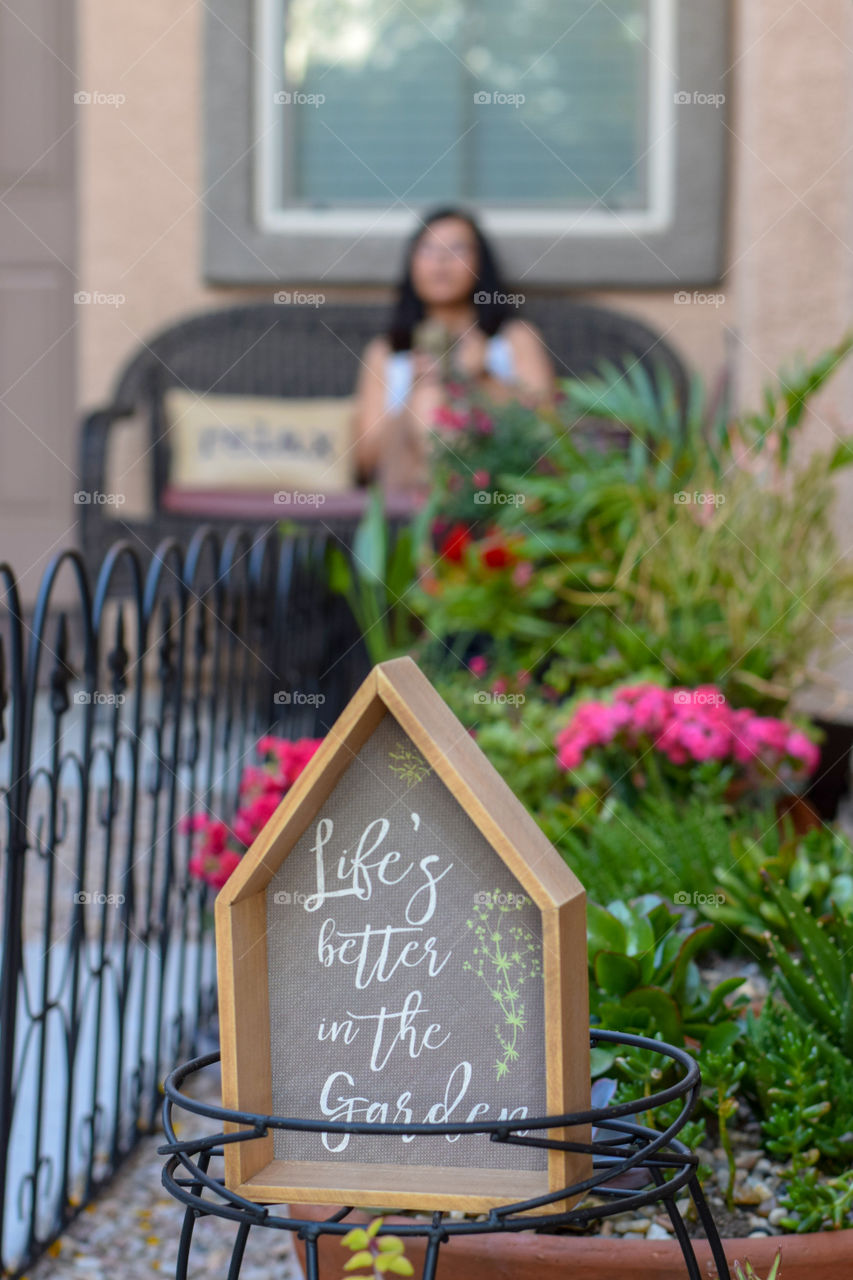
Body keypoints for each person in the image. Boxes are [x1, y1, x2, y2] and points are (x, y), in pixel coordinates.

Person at [352, 208, 555, 493]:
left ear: (480, 262)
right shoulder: (387, 352)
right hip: (407, 483)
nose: (441, 260)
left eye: (456, 249)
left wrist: (484, 379)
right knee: (428, 394)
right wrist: (412, 392)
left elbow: (549, 429)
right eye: (428, 249)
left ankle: (449, 509)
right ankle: (451, 505)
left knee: (431, 395)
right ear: (412, 263)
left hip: (497, 483)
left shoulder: (515, 339)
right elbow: (364, 461)